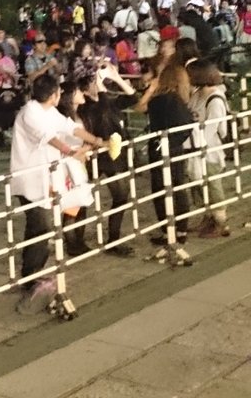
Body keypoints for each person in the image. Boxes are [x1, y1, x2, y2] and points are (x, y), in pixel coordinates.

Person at [10, 75, 103, 312]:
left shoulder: (49, 111)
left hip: (46, 178)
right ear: (54, 95)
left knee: (38, 227)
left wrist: (96, 141)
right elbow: (49, 138)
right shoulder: (30, 113)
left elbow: (70, 127)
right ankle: (31, 276)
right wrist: (71, 151)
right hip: (31, 179)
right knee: (41, 227)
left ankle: (31, 274)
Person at [135, 61, 195, 265]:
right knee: (178, 186)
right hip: (176, 148)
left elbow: (140, 107)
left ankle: (168, 231)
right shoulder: (180, 99)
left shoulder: (160, 100)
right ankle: (181, 230)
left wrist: (151, 90)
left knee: (161, 190)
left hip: (159, 148)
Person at [75, 66, 137, 257]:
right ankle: (75, 241)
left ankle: (113, 239)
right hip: (97, 155)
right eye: (94, 82)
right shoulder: (86, 108)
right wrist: (101, 86)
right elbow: (102, 110)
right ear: (85, 90)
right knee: (81, 199)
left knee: (121, 197)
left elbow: (133, 98)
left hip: (112, 156)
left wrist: (117, 78)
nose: (99, 84)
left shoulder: (108, 102)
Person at [188, 59, 232, 239]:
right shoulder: (197, 94)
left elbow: (214, 128)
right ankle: (208, 217)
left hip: (209, 150)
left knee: (213, 186)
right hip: (197, 148)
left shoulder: (215, 99)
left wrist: (197, 145)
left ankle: (221, 222)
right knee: (199, 186)